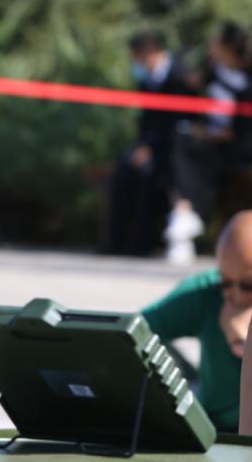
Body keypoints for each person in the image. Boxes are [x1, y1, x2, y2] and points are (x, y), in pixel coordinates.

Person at [142, 211, 252, 433]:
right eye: (226, 283)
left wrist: (243, 340)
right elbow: (133, 333)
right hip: (215, 429)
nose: (236, 295)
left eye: (249, 285)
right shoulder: (207, 292)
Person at [106, 30, 200, 256]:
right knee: (124, 169)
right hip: (150, 146)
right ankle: (115, 243)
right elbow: (146, 121)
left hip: (174, 150)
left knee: (147, 175)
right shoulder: (147, 79)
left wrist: (150, 148)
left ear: (148, 54)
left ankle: (143, 243)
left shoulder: (180, 76)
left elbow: (178, 121)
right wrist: (142, 146)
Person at [164, 22, 251, 264]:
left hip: (237, 146)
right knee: (181, 143)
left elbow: (239, 131)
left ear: (227, 47)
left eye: (216, 41)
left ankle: (186, 215)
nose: (211, 45)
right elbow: (190, 84)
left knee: (193, 153)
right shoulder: (211, 70)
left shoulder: (247, 79)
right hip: (210, 141)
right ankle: (185, 215)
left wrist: (211, 133)